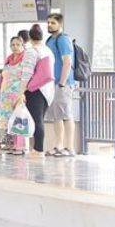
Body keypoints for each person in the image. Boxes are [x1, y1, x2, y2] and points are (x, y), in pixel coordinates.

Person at [0, 35, 35, 155]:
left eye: (18, 44)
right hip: (5, 95)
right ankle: (10, 144)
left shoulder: (25, 60)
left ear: (23, 45)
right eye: (13, 45)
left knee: (18, 119)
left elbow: (26, 77)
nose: (15, 47)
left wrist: (22, 93)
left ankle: (20, 146)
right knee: (7, 120)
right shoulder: (9, 60)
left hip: (18, 93)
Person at [46, 13, 77, 157]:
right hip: (52, 83)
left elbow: (67, 62)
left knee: (66, 114)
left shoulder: (63, 40)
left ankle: (69, 147)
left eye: (53, 23)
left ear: (60, 24)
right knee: (56, 116)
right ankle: (58, 145)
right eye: (48, 22)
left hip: (62, 84)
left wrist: (62, 83)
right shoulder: (49, 40)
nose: (50, 25)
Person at [26, 24, 55, 156]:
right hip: (48, 90)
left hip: (35, 89)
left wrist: (22, 90)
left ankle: (38, 149)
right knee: (39, 119)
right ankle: (37, 148)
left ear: (30, 37)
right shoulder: (48, 50)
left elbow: (27, 73)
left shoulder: (32, 51)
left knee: (36, 120)